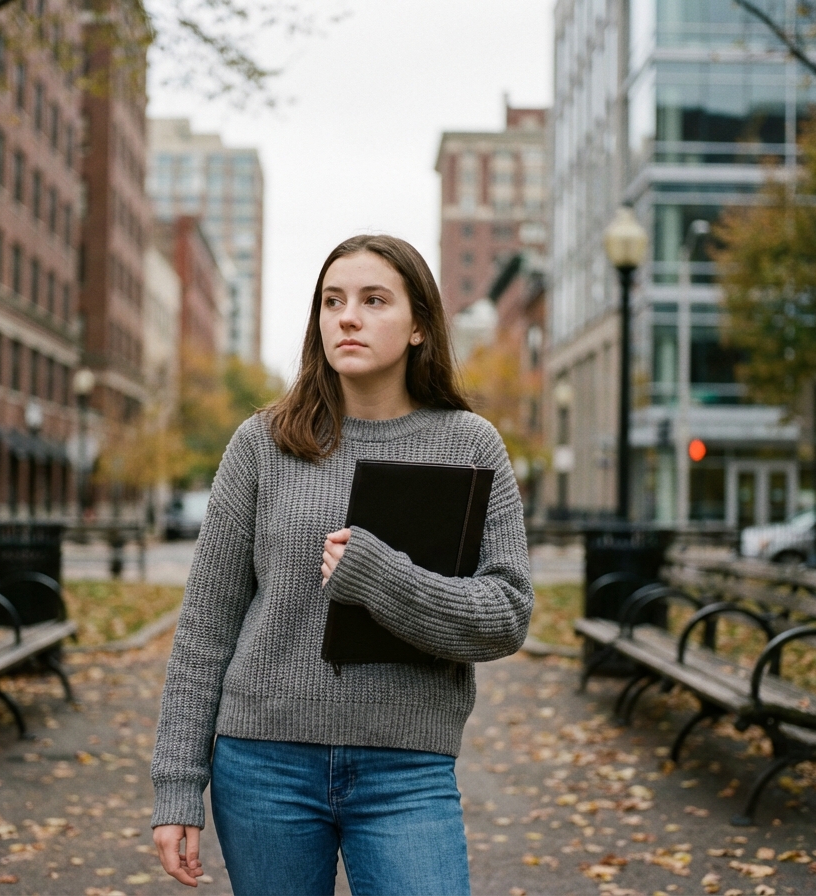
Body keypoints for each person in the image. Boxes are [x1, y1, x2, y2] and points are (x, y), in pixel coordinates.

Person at [150, 234, 533, 895]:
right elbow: (207, 626)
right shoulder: (263, 445)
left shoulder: (470, 445)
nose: (346, 317)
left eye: (373, 300)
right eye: (332, 301)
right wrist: (177, 786)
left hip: (407, 770)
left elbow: (505, 617)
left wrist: (384, 579)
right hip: (262, 765)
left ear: (419, 326)